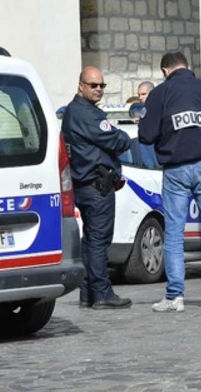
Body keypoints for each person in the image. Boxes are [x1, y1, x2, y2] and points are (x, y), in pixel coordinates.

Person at [138, 51, 201, 312]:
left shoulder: (161, 93)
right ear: (187, 66)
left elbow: (146, 135)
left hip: (176, 169)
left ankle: (175, 297)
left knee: (174, 233)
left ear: (164, 70)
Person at [61, 66, 133, 310]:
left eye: (102, 85)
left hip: (85, 183)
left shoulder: (76, 110)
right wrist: (122, 134)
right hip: (95, 185)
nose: (99, 89)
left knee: (90, 240)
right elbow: (117, 140)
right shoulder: (87, 114)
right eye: (94, 85)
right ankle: (101, 292)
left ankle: (88, 292)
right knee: (99, 240)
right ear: (81, 86)